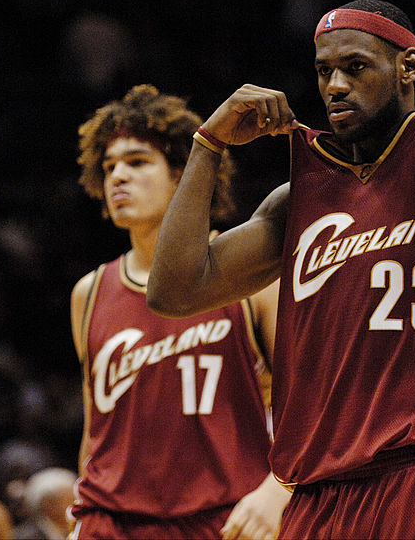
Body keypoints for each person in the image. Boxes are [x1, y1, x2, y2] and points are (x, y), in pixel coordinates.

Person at [147, 0, 415, 538]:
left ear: (408, 67)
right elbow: (173, 291)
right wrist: (208, 143)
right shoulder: (298, 200)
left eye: (355, 67)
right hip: (316, 494)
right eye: (323, 71)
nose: (335, 85)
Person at [69, 85, 289, 540]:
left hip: (224, 518)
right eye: (109, 167)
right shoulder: (88, 293)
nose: (117, 177)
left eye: (137, 161)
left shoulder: (249, 279)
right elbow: (96, 431)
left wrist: (278, 489)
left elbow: (313, 403)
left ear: (181, 177)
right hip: (111, 522)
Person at [13, 467, 77, 540]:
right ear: (47, 505)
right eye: (68, 500)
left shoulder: (76, 529)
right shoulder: (25, 536)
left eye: (73, 499)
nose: (74, 504)